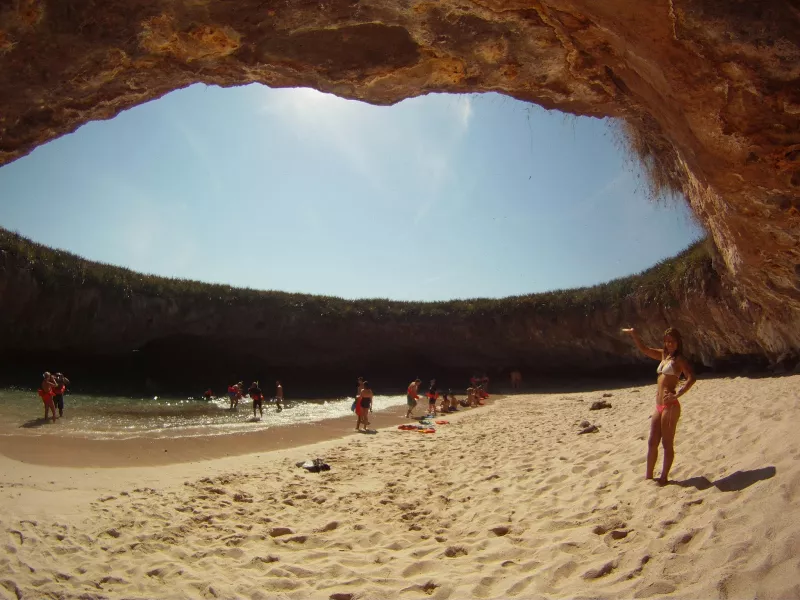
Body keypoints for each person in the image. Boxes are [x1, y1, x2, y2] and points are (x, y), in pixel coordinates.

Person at [623, 326, 696, 485]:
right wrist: (634, 334)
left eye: (673, 341)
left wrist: (677, 394)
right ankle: (649, 476)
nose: (670, 344)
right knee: (652, 442)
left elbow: (691, 378)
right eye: (667, 341)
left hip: (670, 406)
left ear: (678, 342)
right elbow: (645, 349)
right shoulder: (664, 355)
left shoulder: (679, 359)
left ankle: (664, 478)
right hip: (659, 405)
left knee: (666, 443)